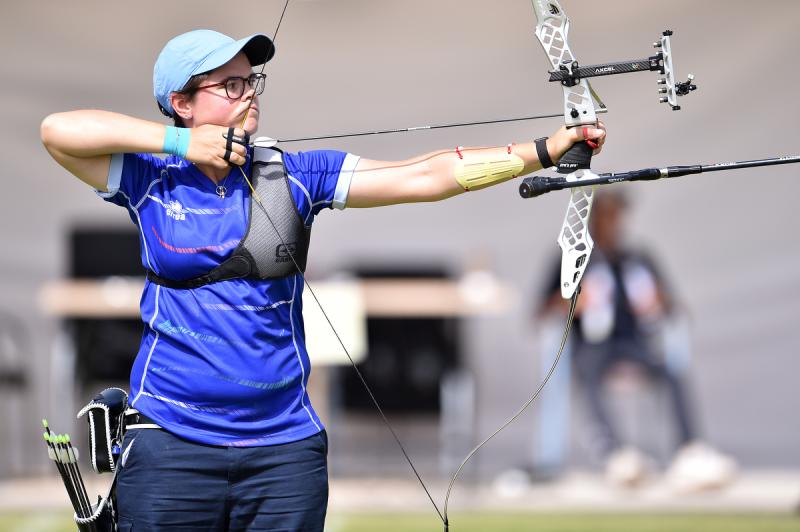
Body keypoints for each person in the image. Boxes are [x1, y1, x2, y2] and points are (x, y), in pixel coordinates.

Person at [40, 29, 606, 531]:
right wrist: (181, 144)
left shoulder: (294, 176)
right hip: (170, 439)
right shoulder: (149, 178)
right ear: (182, 103)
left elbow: (425, 176)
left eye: (251, 80)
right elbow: (58, 131)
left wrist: (545, 150)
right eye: (229, 85)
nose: (249, 93)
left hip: (283, 449)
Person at [537, 190, 735, 490]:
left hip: (634, 343)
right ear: (593, 218)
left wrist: (659, 301)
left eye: (618, 216)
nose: (613, 223)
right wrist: (572, 302)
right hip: (591, 345)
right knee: (588, 374)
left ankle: (690, 450)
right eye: (607, 215)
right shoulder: (571, 256)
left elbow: (674, 305)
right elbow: (539, 312)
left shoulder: (639, 257)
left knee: (673, 372)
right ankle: (615, 454)